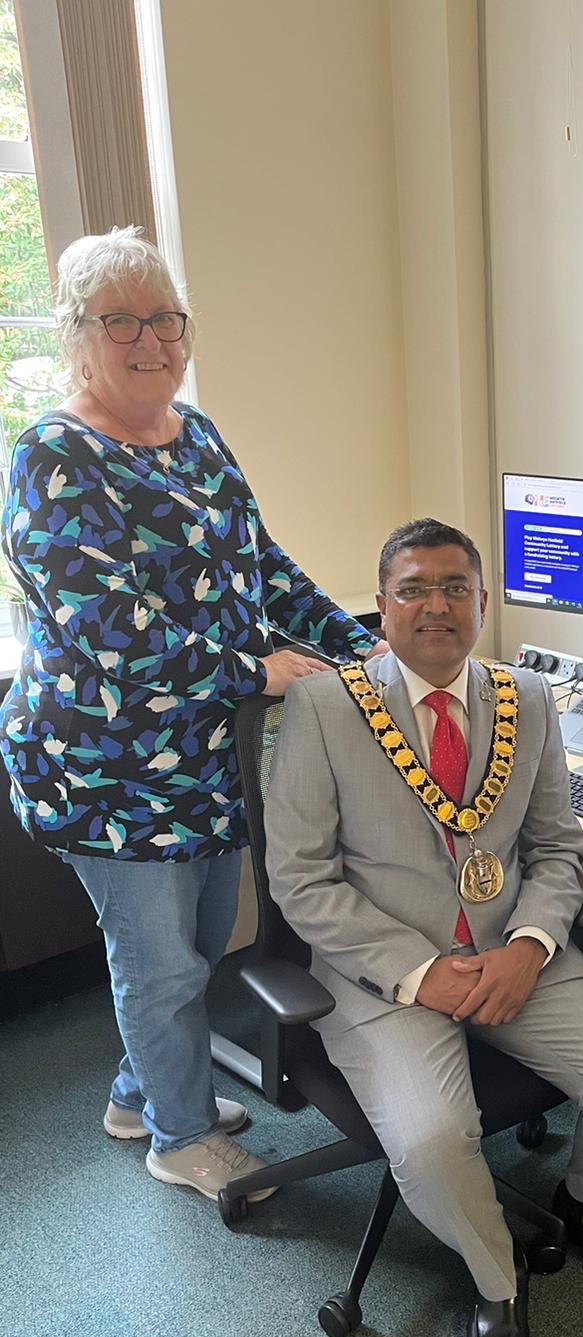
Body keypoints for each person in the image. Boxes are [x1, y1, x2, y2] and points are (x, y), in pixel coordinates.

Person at [0, 227, 381, 1204]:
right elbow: (106, 631)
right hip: (108, 774)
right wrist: (259, 670)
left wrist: (357, 643)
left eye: (166, 318)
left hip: (206, 762)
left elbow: (262, 565)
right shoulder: (52, 457)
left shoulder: (195, 433)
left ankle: (139, 1093)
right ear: (77, 332)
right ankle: (179, 1132)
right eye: (122, 320)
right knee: (162, 964)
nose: (152, 340)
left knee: (204, 945)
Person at [264, 517, 583, 1337]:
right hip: (387, 973)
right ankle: (496, 1279)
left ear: (483, 605)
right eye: (414, 588)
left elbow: (560, 850)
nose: (436, 605)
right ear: (380, 609)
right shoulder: (325, 706)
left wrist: (529, 944)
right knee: (431, 1139)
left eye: (456, 588)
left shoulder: (526, 696)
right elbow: (300, 880)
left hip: (514, 952)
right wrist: (421, 970)